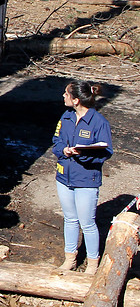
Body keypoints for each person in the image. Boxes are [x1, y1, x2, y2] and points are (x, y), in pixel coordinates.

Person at [52, 81, 113, 276]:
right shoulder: (66, 117)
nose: (63, 96)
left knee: (87, 223)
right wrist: (63, 150)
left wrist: (82, 154)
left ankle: (93, 264)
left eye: (66, 94)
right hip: (64, 177)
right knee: (70, 219)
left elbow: (106, 151)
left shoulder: (99, 122)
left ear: (76, 100)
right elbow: (56, 140)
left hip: (86, 179)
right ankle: (70, 259)